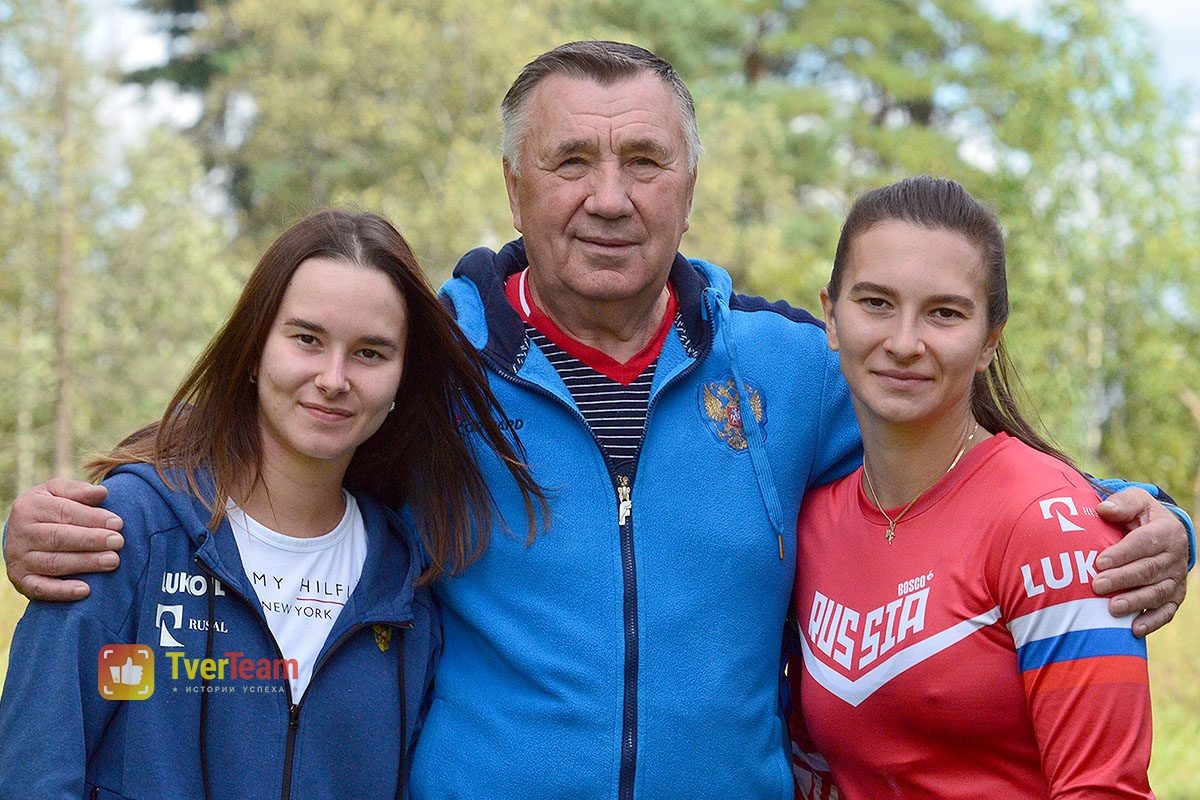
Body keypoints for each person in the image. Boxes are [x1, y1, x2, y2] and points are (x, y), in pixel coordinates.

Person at [3, 43, 1191, 800]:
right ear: (514, 184)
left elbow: (973, 459)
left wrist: (1162, 521)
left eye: (645, 161)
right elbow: (274, 414)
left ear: (690, 186)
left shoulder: (796, 365)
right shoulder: (433, 355)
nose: (609, 196)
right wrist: (99, 501)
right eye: (571, 159)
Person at [0, 210, 543, 799]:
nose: (333, 378)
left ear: (402, 379)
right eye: (307, 339)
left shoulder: (406, 586)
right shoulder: (124, 533)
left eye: (370, 353)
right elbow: (33, 772)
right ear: (255, 348)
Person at [790, 177, 1153, 798]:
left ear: (989, 341)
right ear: (830, 316)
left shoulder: (1048, 523)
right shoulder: (813, 520)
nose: (904, 343)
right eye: (875, 303)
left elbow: (1106, 788)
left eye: (945, 313)